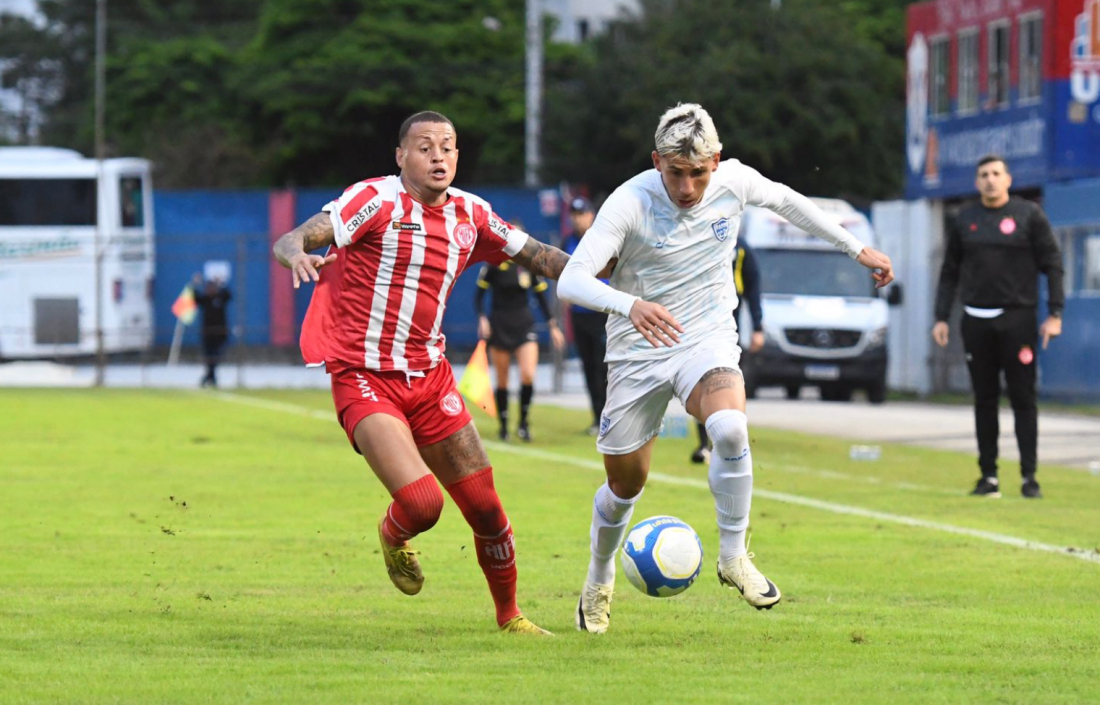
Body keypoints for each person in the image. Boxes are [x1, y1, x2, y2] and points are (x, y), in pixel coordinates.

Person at [557, 103, 893, 633]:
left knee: (730, 427)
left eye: (698, 172)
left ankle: (733, 556)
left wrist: (856, 248)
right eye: (675, 173)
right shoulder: (630, 200)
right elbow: (571, 280)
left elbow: (789, 202)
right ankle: (598, 579)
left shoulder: (734, 182)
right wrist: (629, 305)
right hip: (635, 349)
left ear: (717, 160)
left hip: (705, 337)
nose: (687, 187)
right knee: (625, 485)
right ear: (656, 161)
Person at [272, 110, 571, 635]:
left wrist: (610, 271)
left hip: (429, 379)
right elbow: (294, 237)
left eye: (448, 147)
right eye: (426, 146)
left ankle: (511, 617)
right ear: (401, 157)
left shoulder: (471, 213)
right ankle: (393, 536)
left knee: (487, 510)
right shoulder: (375, 200)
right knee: (422, 504)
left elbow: (543, 258)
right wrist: (296, 252)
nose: (439, 156)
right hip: (364, 374)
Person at [932, 155, 1065, 500]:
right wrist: (941, 316)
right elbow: (949, 272)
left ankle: (1029, 476)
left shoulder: (1028, 216)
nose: (990, 180)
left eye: (996, 174)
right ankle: (988, 475)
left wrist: (1055, 314)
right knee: (984, 399)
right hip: (975, 320)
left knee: (1023, 397)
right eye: (983, 175)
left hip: (1017, 318)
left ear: (1008, 179)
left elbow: (1053, 264)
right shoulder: (966, 219)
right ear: (976, 183)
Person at [475, 253, 565, 442]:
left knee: (528, 374)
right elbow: (479, 295)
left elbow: (540, 296)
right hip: (500, 325)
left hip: (524, 325)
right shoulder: (493, 264)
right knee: (502, 379)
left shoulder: (528, 266)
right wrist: (482, 318)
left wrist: (553, 326)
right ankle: (504, 426)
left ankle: (523, 423)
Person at [690, 238, 763, 463]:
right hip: (699, 330)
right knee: (702, 386)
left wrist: (758, 327)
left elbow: (753, 288)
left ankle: (727, 443)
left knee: (726, 388)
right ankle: (705, 445)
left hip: (729, 335)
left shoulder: (740, 249)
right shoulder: (697, 241)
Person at [562, 197, 610, 436]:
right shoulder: (568, 241)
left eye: (582, 213)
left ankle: (610, 418)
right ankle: (596, 417)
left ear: (591, 215)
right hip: (579, 314)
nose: (577, 218)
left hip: (602, 314)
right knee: (588, 367)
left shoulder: (602, 238)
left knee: (605, 368)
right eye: (574, 214)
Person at [192, 274, 232, 388]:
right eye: (208, 287)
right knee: (209, 356)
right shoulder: (205, 300)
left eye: (213, 287)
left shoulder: (221, 298)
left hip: (220, 333)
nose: (210, 290)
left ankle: (209, 377)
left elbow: (229, 295)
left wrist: (221, 283)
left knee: (216, 355)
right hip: (207, 333)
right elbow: (195, 297)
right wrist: (195, 284)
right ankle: (211, 377)